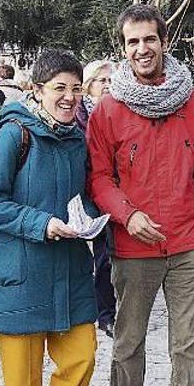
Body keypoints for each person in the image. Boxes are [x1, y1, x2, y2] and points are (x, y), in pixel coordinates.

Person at [87, 4, 194, 386]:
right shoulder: (108, 110)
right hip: (133, 247)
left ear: (163, 42)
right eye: (132, 42)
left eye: (149, 39)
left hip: (188, 245)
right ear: (123, 48)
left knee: (187, 344)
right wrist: (127, 215)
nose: (142, 48)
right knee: (129, 338)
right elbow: (98, 178)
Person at [0, 49, 98, 386]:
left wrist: (90, 217)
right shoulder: (13, 134)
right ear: (37, 90)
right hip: (20, 273)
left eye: (76, 89)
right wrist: (40, 224)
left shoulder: (77, 137)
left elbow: (86, 196)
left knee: (82, 356)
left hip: (70, 269)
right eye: (59, 88)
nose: (69, 97)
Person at [75, 59, 117, 337]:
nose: (107, 85)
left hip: (111, 189)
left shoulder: (117, 112)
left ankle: (108, 312)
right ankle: (95, 309)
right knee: (91, 257)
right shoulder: (77, 116)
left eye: (111, 80)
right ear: (89, 86)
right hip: (83, 190)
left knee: (107, 254)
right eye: (102, 81)